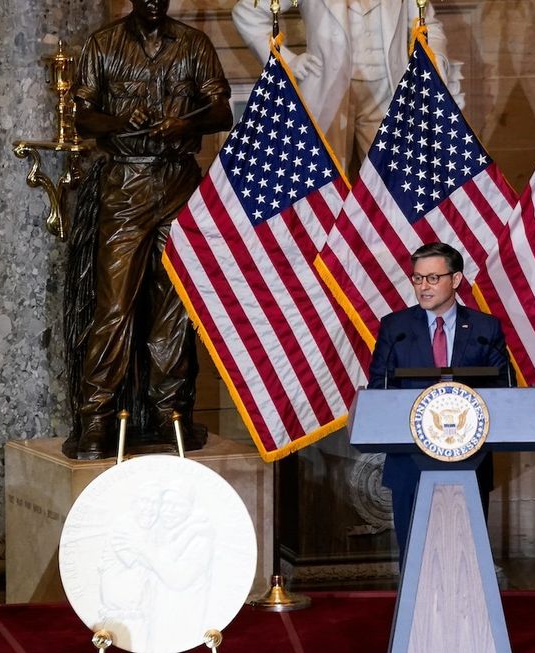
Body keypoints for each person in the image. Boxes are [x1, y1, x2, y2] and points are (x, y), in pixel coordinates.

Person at [67, 0, 233, 459]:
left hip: (179, 182)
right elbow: (82, 117)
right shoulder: (103, 44)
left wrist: (187, 121)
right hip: (126, 185)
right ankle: (96, 417)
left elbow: (222, 112)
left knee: (175, 306)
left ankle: (170, 411)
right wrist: (120, 123)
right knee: (114, 306)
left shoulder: (194, 44)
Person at [367, 242, 509, 562]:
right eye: (418, 279)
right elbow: (380, 386)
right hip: (409, 460)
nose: (424, 287)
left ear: (456, 280)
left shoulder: (486, 328)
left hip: (469, 460)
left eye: (433, 278)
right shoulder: (396, 327)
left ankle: (467, 613)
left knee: (465, 554)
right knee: (414, 554)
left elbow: (502, 388)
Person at [232, 0, 455, 170]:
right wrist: (287, 61)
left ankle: (386, 229)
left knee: (393, 175)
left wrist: (433, 63)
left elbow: (428, 24)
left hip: (388, 90)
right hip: (328, 91)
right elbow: (247, 12)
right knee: (326, 174)